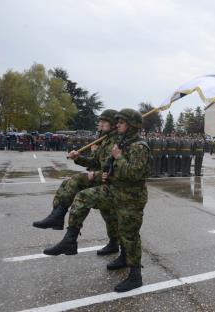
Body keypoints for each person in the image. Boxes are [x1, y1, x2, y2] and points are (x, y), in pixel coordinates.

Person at [43, 108, 150, 292]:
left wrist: (119, 158)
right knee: (83, 197)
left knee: (129, 235)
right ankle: (70, 239)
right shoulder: (122, 142)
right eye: (117, 122)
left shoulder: (139, 146)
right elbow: (106, 165)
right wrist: (101, 167)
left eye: (121, 122)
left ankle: (135, 275)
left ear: (132, 126)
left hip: (131, 198)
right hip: (114, 191)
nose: (117, 125)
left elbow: (135, 174)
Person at [33, 109, 120, 256]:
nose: (99, 124)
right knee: (69, 183)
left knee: (107, 214)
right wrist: (77, 157)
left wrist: (96, 175)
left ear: (112, 125)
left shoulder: (116, 142)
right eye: (100, 121)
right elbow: (95, 162)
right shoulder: (104, 140)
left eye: (103, 122)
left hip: (113, 184)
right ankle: (57, 215)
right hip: (102, 180)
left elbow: (115, 170)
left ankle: (68, 234)